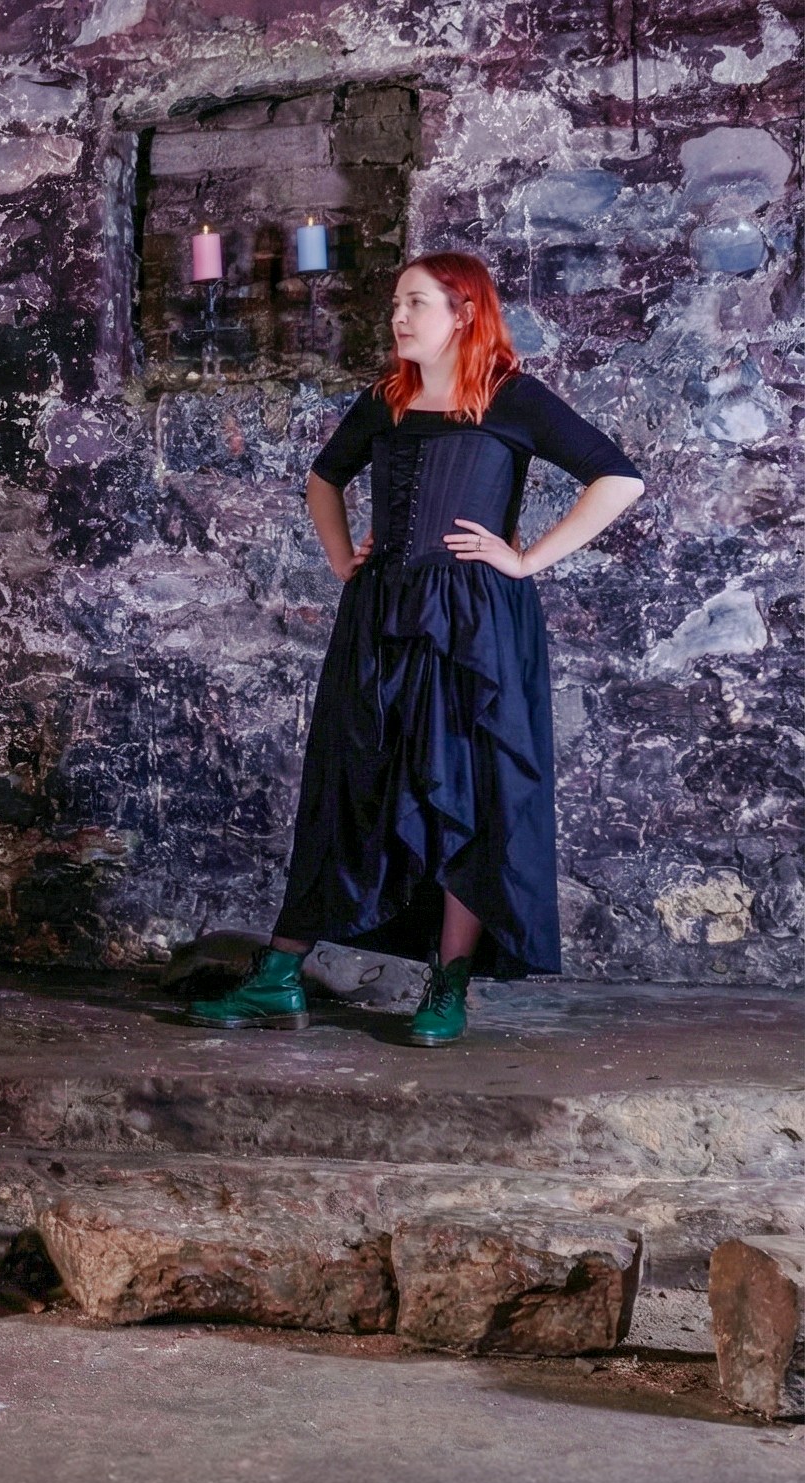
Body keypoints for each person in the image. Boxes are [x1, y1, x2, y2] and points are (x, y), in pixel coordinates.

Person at [191, 251, 644, 1046]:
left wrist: (526, 557)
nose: (398, 318)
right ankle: (279, 975)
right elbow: (324, 476)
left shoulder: (513, 398)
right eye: (396, 303)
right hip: (380, 616)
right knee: (348, 778)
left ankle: (449, 983)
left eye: (415, 303)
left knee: (468, 794)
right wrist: (341, 560)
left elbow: (618, 478)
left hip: (474, 625)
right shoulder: (387, 401)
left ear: (464, 311)